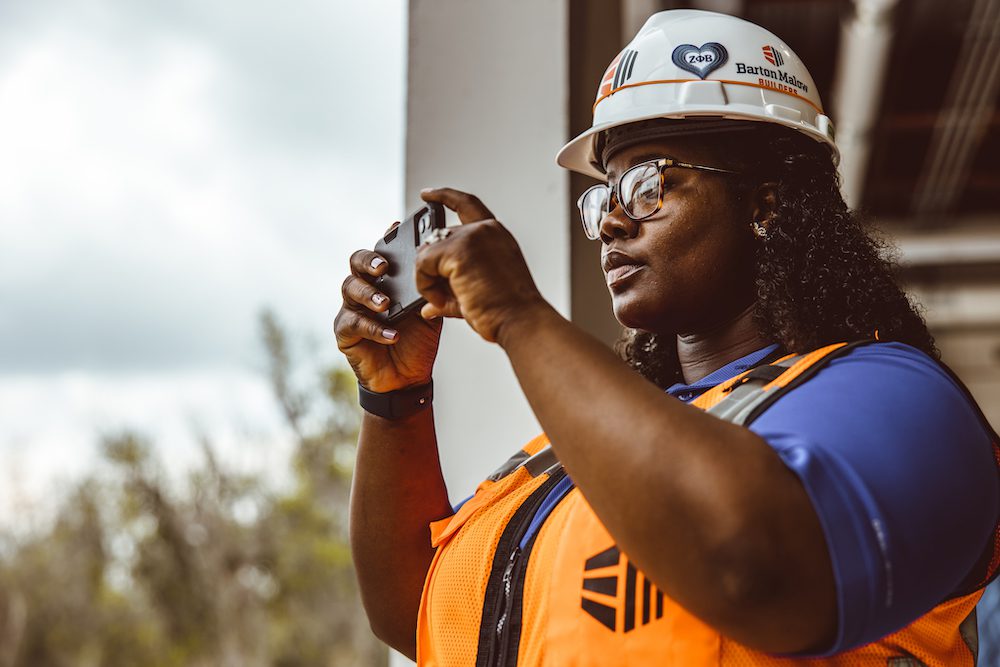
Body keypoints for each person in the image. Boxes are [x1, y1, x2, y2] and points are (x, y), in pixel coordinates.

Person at [336, 9, 999, 666]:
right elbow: (421, 611)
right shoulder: (585, 450)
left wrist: (518, 315)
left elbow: (751, 563)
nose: (611, 224)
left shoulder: (903, 397)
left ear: (764, 202)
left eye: (647, 185)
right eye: (603, 197)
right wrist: (394, 399)